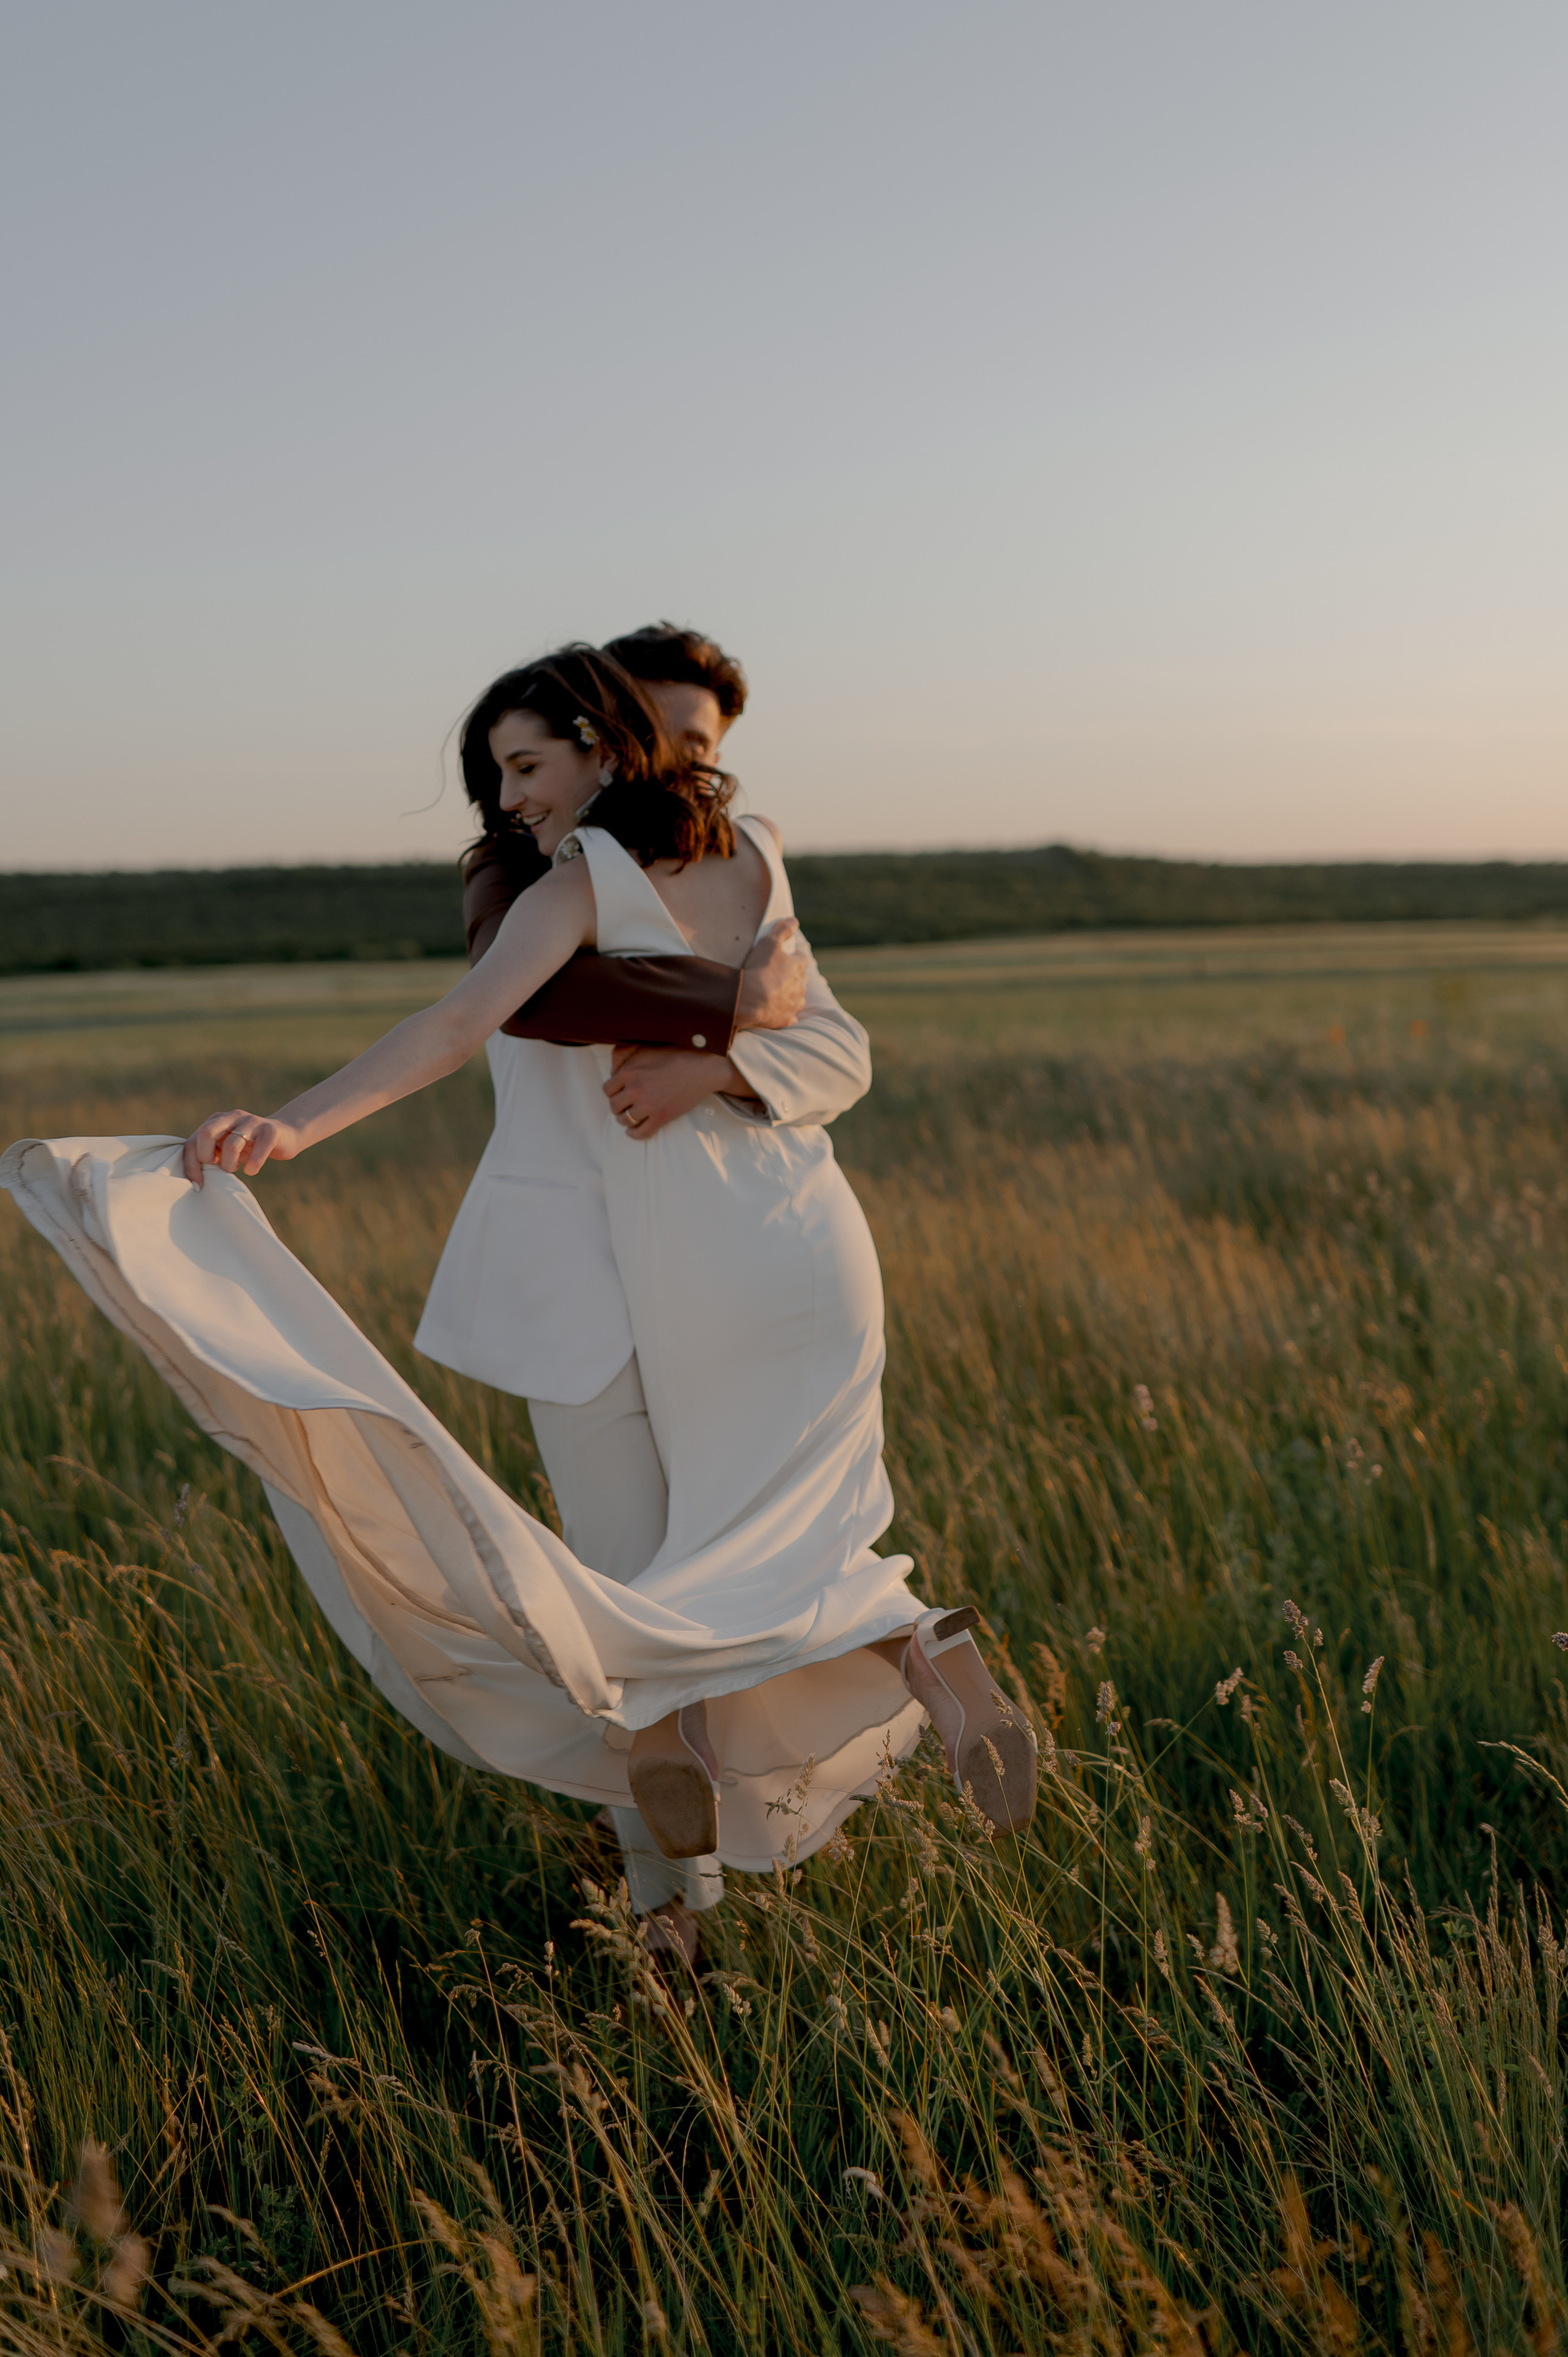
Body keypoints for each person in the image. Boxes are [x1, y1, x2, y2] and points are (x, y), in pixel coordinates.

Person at [2, 645, 1035, 1953]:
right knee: (791, 1541)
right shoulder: (749, 856)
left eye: (528, 767)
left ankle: (674, 1901)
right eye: (497, 774)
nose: (508, 798)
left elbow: (464, 1021)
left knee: (640, 1581)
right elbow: (721, 1016)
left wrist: (297, 1125)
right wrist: (723, 1020)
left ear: (605, 752)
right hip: (789, 1237)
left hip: (690, 1255)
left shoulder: (577, 877)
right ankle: (916, 1662)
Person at [418, 626, 883, 1954]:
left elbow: (838, 1047)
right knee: (628, 1603)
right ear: (605, 733)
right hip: (580, 1296)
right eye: (665, 742)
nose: (690, 771)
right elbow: (532, 1009)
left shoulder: (735, 870)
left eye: (706, 752)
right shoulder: (519, 883)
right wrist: (735, 1007)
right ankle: (664, 1909)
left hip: (706, 1275)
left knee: (710, 1590)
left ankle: (702, 1903)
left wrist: (729, 1055)